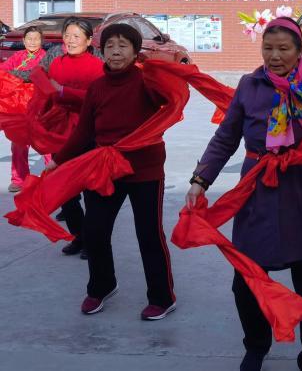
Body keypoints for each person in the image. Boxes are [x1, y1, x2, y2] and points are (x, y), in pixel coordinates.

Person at [185, 17, 302, 371]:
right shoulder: (249, 85)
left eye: (283, 49)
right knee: (247, 280)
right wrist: (200, 179)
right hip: (259, 190)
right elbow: (226, 137)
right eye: (268, 48)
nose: (274, 56)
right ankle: (256, 344)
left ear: (300, 50)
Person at [47, 23, 176, 320]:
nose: (116, 51)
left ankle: (162, 296)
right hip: (104, 166)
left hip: (144, 168)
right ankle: (101, 286)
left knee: (149, 234)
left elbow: (169, 100)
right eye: (110, 46)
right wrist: (59, 160)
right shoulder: (98, 87)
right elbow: (84, 132)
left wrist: (161, 75)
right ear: (102, 51)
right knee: (95, 231)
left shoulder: (147, 81)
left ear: (134, 51)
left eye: (123, 45)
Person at [45, 17, 104, 258]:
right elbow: (49, 94)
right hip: (62, 133)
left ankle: (93, 241)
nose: (70, 40)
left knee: (91, 191)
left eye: (76, 36)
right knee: (65, 191)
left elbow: (96, 100)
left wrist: (63, 92)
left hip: (88, 132)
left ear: (89, 41)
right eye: (67, 35)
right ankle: (79, 236)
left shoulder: (97, 67)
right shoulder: (57, 63)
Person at [0, 26, 49, 192]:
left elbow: (41, 74)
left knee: (46, 143)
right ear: (23, 40)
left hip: (39, 106)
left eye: (36, 39)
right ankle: (19, 179)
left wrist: (18, 76)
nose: (33, 42)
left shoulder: (46, 57)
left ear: (42, 41)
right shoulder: (17, 56)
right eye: (29, 39)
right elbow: (3, 71)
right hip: (18, 107)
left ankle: (52, 176)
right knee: (18, 143)